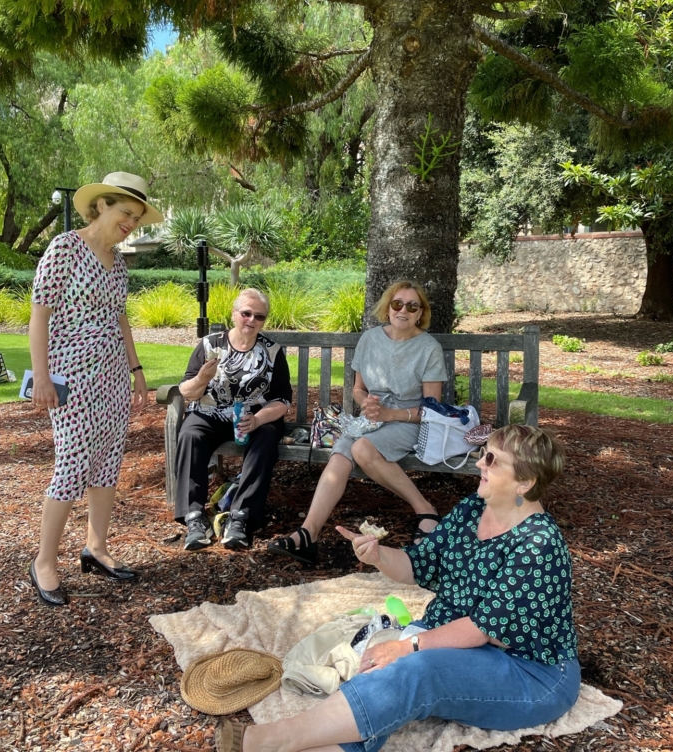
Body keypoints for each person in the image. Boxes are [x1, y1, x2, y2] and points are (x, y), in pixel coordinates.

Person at [216, 425, 580, 752]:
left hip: (531, 672)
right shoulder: (473, 509)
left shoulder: (538, 544)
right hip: (455, 637)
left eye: (491, 459)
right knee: (382, 674)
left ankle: (272, 739)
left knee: (418, 670)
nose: (479, 463)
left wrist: (409, 646)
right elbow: (418, 564)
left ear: (525, 482)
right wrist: (377, 556)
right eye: (482, 452)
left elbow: (483, 629)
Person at [28, 172, 160, 607]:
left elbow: (119, 317)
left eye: (137, 219)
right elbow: (39, 315)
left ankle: (96, 547)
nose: (130, 224)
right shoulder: (65, 248)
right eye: (126, 213)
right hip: (71, 376)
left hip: (112, 377)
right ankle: (44, 561)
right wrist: (41, 376)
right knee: (71, 464)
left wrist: (136, 367)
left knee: (106, 464)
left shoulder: (118, 262)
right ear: (101, 205)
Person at [268, 280, 446, 565]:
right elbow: (358, 389)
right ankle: (307, 535)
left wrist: (390, 414)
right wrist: (366, 402)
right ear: (388, 308)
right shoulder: (371, 339)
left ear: (420, 313)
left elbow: (432, 410)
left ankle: (426, 510)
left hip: (408, 421)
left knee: (362, 449)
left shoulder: (428, 348)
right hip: (371, 419)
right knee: (341, 455)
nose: (403, 311)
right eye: (397, 304)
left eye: (412, 306)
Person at [175, 288, 292, 551]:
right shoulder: (209, 345)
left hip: (254, 417)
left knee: (267, 436)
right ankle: (194, 517)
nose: (251, 320)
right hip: (210, 414)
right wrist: (203, 378)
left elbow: (283, 400)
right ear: (234, 314)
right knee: (190, 432)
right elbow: (186, 392)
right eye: (246, 313)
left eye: (259, 317)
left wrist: (258, 420)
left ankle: (241, 517)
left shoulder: (272, 351)